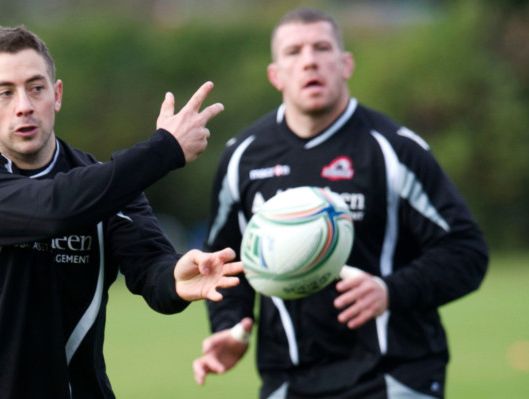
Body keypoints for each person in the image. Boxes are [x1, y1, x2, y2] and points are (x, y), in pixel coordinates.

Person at [0, 26, 243, 398]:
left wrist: (175, 276)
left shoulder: (101, 186)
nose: (24, 105)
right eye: (4, 93)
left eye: (36, 87)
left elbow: (150, 267)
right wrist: (165, 150)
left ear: (56, 95)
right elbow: (52, 209)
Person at [193, 8, 488, 399]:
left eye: (322, 47)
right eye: (294, 51)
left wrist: (390, 290)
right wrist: (231, 327)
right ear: (275, 74)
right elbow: (224, 263)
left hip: (395, 376)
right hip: (289, 380)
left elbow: (466, 251)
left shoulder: (393, 150)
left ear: (345, 64)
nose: (309, 60)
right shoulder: (243, 158)